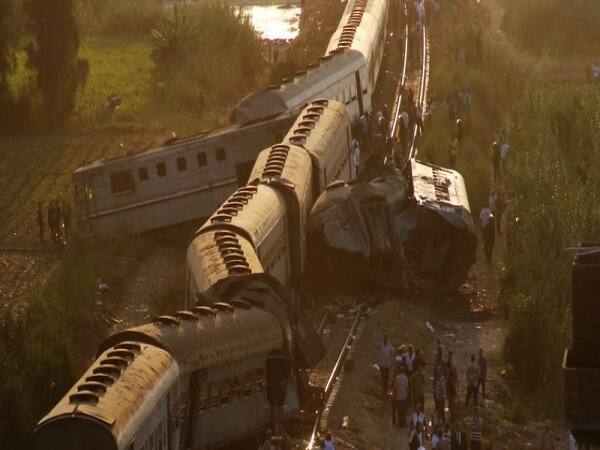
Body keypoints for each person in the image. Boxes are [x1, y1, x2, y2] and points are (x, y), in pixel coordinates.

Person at [446, 351, 458, 421]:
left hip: (452, 385)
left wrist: (455, 384)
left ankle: (453, 416)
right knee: (450, 402)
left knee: (452, 402)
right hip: (450, 385)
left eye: (450, 355)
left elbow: (455, 375)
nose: (449, 357)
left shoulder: (453, 365)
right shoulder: (448, 364)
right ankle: (452, 415)